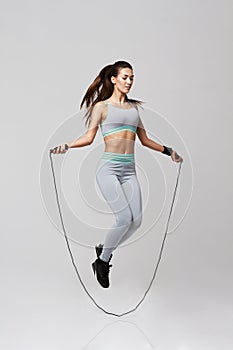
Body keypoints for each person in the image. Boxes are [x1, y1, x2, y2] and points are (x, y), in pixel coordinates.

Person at [51, 60, 183, 289]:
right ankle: (102, 261)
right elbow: (88, 137)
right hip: (108, 169)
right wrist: (67, 145)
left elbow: (145, 140)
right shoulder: (101, 107)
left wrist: (169, 151)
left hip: (129, 170)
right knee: (123, 219)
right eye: (125, 77)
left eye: (132, 78)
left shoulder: (134, 109)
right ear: (113, 79)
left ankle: (104, 249)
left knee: (136, 221)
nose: (129, 82)